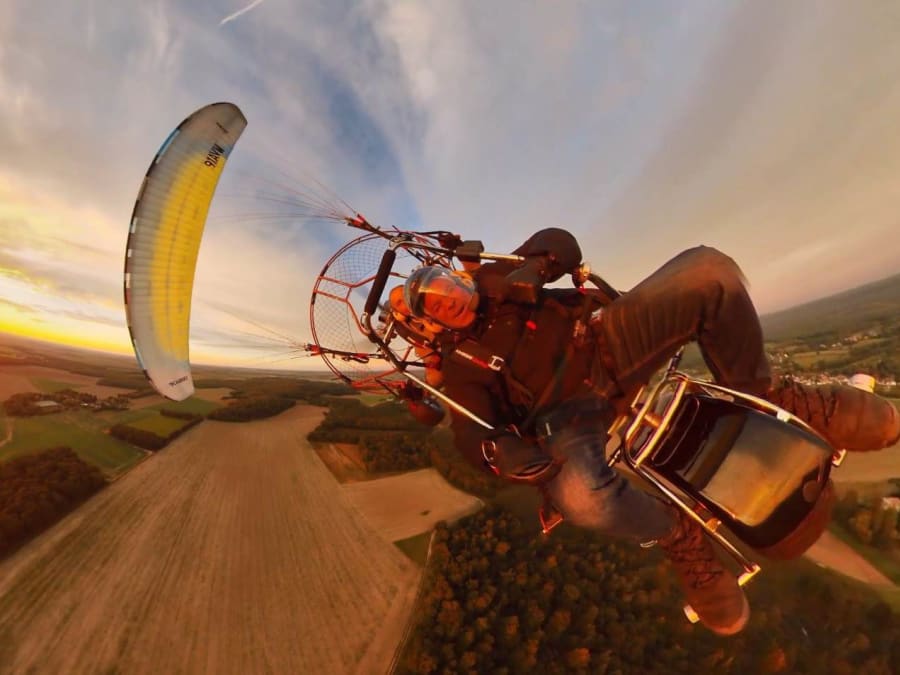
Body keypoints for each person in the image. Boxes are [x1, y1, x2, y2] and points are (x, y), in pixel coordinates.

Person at [401, 228, 900, 636]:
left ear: (456, 279)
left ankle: (768, 398)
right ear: (433, 325)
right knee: (580, 498)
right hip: (568, 416)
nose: (449, 302)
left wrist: (538, 265)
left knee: (709, 272)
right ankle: (678, 536)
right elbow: (470, 432)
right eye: (436, 307)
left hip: (603, 342)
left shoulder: (497, 276)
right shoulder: (461, 368)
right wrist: (497, 450)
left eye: (445, 289)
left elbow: (559, 242)